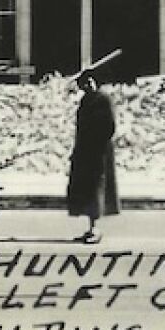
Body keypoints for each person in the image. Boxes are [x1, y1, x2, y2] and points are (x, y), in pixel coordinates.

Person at [67, 72, 119, 243]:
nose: (87, 86)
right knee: (88, 190)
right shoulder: (86, 100)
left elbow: (109, 126)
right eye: (84, 84)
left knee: (97, 188)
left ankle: (95, 229)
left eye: (89, 82)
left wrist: (96, 144)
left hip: (98, 152)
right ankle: (91, 228)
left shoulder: (103, 99)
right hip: (85, 151)